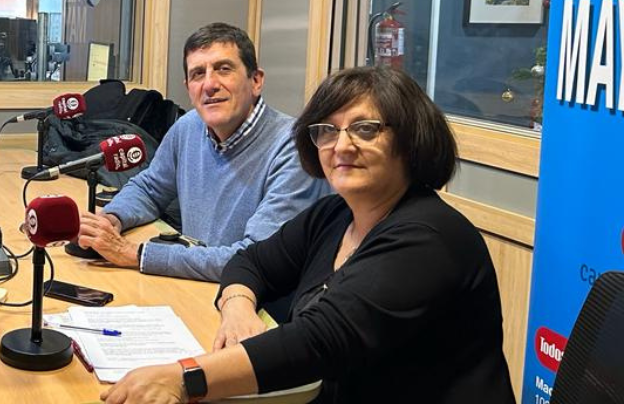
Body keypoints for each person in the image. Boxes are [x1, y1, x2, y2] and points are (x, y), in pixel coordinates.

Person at [100, 66, 514, 404]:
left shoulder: (428, 238)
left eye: (365, 129)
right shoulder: (335, 214)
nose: (341, 145)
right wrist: (239, 306)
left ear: (409, 139)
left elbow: (319, 341)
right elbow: (252, 262)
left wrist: (183, 377)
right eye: (327, 131)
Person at [76, 23, 326, 282]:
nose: (210, 84)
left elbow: (256, 258)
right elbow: (150, 188)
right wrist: (112, 219)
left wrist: (137, 255)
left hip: (260, 304)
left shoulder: (294, 149)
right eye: (198, 74)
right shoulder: (188, 127)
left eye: (223, 69)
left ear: (256, 81)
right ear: (188, 87)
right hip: (200, 286)